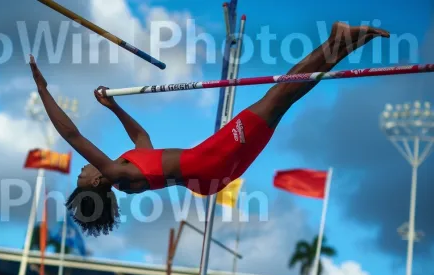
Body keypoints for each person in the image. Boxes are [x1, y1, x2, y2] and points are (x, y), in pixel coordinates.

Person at [28, 22, 389, 236]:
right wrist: (43, 90)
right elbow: (72, 135)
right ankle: (339, 41)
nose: (82, 169)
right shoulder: (115, 173)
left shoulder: (126, 172)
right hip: (207, 164)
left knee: (280, 102)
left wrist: (115, 107)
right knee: (276, 97)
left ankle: (344, 44)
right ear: (95, 183)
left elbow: (143, 141)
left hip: (208, 174)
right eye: (82, 175)